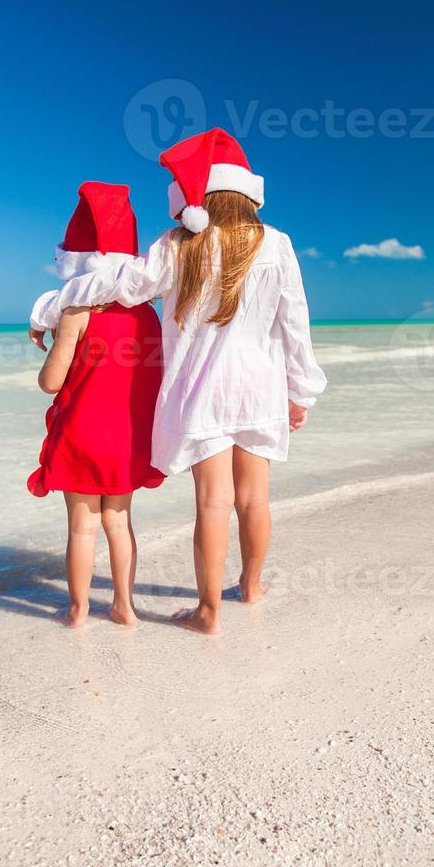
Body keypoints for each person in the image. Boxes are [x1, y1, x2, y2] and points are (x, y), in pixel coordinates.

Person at [29, 129, 326, 634]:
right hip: (260, 387)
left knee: (213, 501)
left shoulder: (178, 244)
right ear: (245, 191)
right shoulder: (277, 243)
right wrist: (302, 391)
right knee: (254, 498)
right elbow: (295, 325)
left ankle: (208, 611)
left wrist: (51, 307)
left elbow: (120, 284)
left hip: (203, 392)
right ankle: (251, 587)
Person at [28, 182, 165, 628]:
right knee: (119, 523)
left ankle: (78, 609)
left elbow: (51, 383)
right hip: (125, 439)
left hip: (81, 437)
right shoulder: (146, 314)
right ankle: (124, 606)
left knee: (81, 528)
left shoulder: (76, 315)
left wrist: (55, 340)